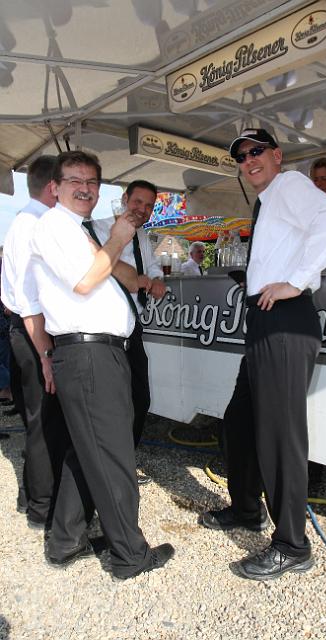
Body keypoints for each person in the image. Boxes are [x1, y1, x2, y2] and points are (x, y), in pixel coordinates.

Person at [201, 128, 326, 581]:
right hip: (267, 319)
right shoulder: (270, 200)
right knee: (240, 421)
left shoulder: (289, 185)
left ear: (277, 155)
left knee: (280, 437)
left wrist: (295, 281)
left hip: (285, 321)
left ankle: (292, 545)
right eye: (242, 157)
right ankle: (247, 508)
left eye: (256, 151)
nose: (249, 160)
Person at [29, 150, 174, 579]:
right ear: (55, 186)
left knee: (87, 448)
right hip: (89, 353)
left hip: (99, 352)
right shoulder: (54, 226)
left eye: (92, 182)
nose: (85, 188)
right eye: (75, 180)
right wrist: (118, 238)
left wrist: (138, 272)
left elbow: (116, 273)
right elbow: (85, 280)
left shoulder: (78, 229)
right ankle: (130, 555)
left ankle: (65, 541)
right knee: (113, 454)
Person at [1, 155, 69, 526]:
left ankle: (32, 496)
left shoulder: (24, 222)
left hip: (26, 332)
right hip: (34, 334)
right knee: (44, 421)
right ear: (53, 187)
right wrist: (45, 355)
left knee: (39, 419)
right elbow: (30, 305)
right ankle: (44, 507)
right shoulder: (33, 227)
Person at [89, 180, 166, 484]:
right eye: (138, 202)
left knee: (140, 398)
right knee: (109, 403)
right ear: (124, 199)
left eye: (149, 206)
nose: (142, 210)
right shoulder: (96, 228)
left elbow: (153, 267)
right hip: (102, 328)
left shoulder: (143, 237)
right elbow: (99, 269)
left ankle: (124, 461)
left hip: (132, 326)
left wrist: (156, 279)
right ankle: (106, 468)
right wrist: (137, 279)